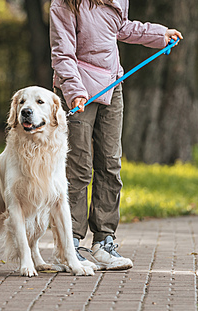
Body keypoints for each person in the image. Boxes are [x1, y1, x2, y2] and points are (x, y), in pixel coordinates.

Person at [50, 0, 183, 270]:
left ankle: (104, 241)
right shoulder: (64, 5)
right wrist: (75, 92)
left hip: (112, 85)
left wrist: (160, 34)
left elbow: (122, 27)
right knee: (78, 167)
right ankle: (70, 244)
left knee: (111, 163)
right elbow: (62, 54)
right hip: (80, 89)